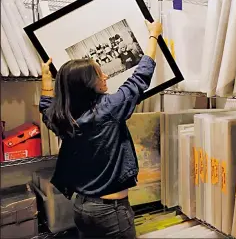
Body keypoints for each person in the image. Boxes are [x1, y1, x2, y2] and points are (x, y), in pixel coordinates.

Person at [39, 20, 162, 238]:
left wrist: (46, 79)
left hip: (82, 208)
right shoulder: (108, 109)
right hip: (111, 212)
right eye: (99, 74)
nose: (105, 76)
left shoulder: (63, 117)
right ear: (88, 84)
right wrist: (154, 35)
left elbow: (47, 107)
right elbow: (140, 77)